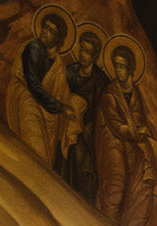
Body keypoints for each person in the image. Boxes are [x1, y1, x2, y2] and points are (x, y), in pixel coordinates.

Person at [96, 42, 157, 226]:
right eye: (116, 66)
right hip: (111, 141)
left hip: (130, 143)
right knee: (117, 180)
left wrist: (140, 132)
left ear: (130, 68)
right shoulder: (110, 95)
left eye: (122, 66)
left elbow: (138, 119)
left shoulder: (134, 93)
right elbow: (116, 126)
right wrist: (138, 132)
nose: (118, 70)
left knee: (142, 181)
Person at [6, 11, 71, 165]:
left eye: (51, 31)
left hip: (45, 108)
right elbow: (33, 85)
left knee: (44, 156)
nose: (45, 32)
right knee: (36, 149)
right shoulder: (33, 48)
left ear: (58, 39)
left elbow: (60, 93)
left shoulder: (59, 65)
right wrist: (59, 107)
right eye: (45, 28)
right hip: (26, 96)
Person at [56, 29, 109, 200]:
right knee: (62, 157)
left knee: (82, 160)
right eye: (81, 49)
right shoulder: (69, 71)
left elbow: (102, 109)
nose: (83, 54)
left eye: (88, 51)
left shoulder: (101, 80)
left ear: (94, 56)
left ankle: (83, 202)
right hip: (67, 123)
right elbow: (60, 94)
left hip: (88, 130)